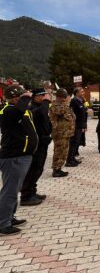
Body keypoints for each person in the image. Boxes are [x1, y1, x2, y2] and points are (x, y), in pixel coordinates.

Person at [0, 85, 38, 235]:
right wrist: (27, 96)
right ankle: (3, 223)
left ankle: (9, 217)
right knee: (9, 191)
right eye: (22, 97)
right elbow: (17, 112)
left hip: (22, 156)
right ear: (16, 98)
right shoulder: (8, 110)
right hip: (13, 158)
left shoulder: (20, 110)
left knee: (14, 189)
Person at [20, 88, 52, 206]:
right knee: (33, 170)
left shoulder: (39, 106)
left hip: (43, 142)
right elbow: (42, 112)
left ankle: (32, 191)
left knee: (38, 169)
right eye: (42, 96)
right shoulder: (31, 108)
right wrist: (46, 102)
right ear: (36, 97)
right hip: (36, 145)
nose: (45, 98)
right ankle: (25, 196)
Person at [49, 88, 75, 177]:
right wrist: (66, 103)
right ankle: (56, 170)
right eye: (64, 97)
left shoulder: (63, 105)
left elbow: (71, 116)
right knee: (59, 151)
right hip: (59, 133)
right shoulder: (55, 106)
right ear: (59, 97)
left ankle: (59, 168)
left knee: (63, 152)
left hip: (65, 133)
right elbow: (60, 112)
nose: (65, 99)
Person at [67, 87, 87, 167]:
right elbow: (72, 114)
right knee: (73, 143)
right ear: (77, 93)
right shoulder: (74, 101)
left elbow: (82, 114)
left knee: (76, 143)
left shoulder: (81, 101)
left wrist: (84, 125)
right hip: (74, 125)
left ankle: (72, 158)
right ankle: (69, 160)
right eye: (81, 91)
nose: (83, 93)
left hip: (79, 126)